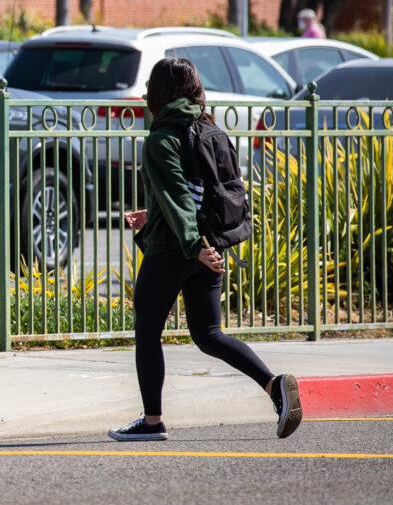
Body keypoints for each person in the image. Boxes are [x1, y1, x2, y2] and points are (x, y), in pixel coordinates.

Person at [109, 58, 301, 442]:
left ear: (160, 94)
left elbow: (180, 196)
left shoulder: (162, 138)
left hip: (176, 250)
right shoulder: (210, 129)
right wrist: (157, 216)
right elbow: (205, 195)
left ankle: (151, 422)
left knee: (148, 330)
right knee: (209, 333)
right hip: (211, 245)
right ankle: (273, 385)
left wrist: (193, 245)